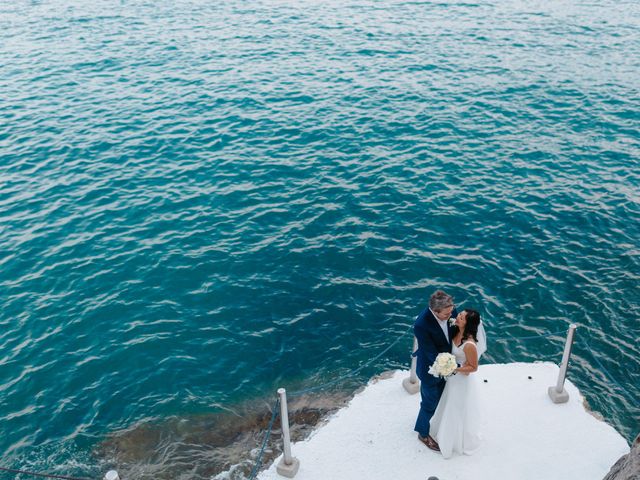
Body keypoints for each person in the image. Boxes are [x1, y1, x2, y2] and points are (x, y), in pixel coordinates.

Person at [429, 309, 486, 458]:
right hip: (453, 377)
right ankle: (441, 429)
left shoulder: (469, 345)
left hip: (461, 380)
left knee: (455, 408)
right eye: (459, 314)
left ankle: (452, 441)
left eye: (461, 317)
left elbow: (474, 367)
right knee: (447, 403)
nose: (457, 317)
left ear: (467, 324)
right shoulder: (456, 328)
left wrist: (454, 368)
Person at [413, 290, 458, 452]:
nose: (451, 314)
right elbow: (431, 353)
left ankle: (436, 419)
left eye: (451, 310)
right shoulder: (421, 325)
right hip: (430, 370)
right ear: (435, 311)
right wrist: (454, 368)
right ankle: (422, 433)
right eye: (446, 313)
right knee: (429, 402)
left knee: (440, 399)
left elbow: (456, 330)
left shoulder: (450, 311)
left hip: (448, 362)